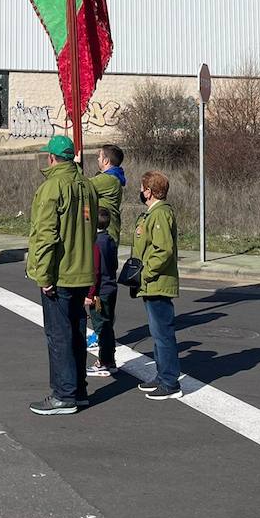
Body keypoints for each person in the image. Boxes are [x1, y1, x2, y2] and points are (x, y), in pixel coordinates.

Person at [26, 135, 99, 415]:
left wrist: (43, 275)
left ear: (52, 158)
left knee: (58, 335)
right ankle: (78, 389)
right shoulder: (87, 186)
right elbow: (91, 231)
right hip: (82, 271)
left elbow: (45, 236)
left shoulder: (52, 187)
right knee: (77, 332)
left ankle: (63, 394)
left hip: (60, 273)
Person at [132, 170, 183, 400]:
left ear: (150, 191)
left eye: (143, 188)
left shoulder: (160, 214)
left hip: (158, 283)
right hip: (152, 284)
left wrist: (146, 273)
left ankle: (170, 382)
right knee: (157, 332)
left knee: (163, 333)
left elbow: (163, 250)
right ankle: (162, 375)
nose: (141, 192)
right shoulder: (151, 214)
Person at [86, 206, 119, 376]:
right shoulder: (110, 240)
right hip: (111, 286)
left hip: (100, 292)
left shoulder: (96, 243)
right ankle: (110, 359)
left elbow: (95, 271)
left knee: (101, 327)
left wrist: (89, 295)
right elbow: (114, 265)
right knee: (108, 325)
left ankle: (104, 361)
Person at [88, 144, 127, 241]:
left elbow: (83, 185)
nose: (98, 159)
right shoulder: (112, 178)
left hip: (106, 235)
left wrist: (74, 165)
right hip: (105, 233)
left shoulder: (109, 180)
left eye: (100, 156)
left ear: (106, 161)